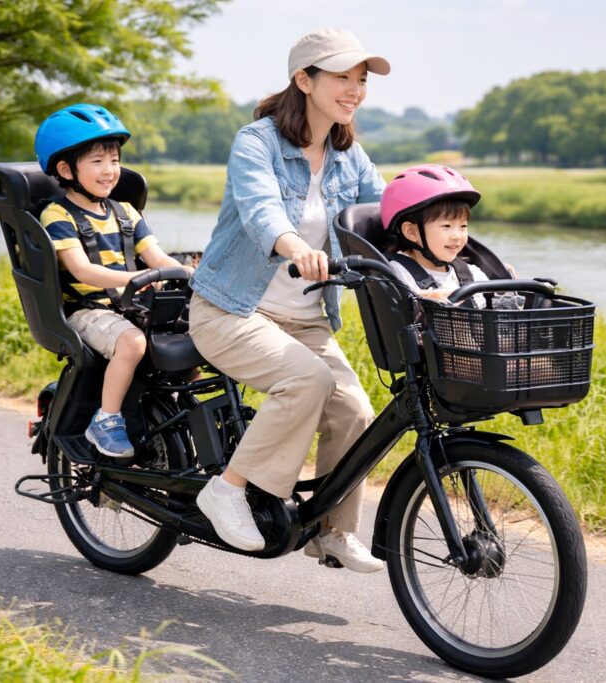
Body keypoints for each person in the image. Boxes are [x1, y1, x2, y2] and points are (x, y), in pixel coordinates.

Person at [188, 28, 389, 571]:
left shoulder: (350, 158)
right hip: (232, 309)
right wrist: (296, 246)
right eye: (342, 77)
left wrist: (446, 260)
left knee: (356, 412)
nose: (354, 90)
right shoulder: (256, 142)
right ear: (304, 80)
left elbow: (385, 221)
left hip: (305, 320)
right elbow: (261, 212)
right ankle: (228, 489)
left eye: (362, 80)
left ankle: (333, 530)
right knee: (309, 380)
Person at [35, 103, 193, 459]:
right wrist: (135, 277)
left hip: (129, 307)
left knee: (196, 333)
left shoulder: (126, 212)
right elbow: (81, 270)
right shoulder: (58, 214)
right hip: (88, 311)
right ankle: (105, 419)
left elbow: (158, 257)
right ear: (66, 169)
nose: (110, 171)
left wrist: (188, 274)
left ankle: (182, 410)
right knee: (133, 344)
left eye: (115, 161)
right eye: (97, 162)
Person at [380, 163, 523, 310]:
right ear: (412, 232)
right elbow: (400, 310)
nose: (457, 236)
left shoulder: (472, 273)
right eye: (446, 226)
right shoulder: (397, 273)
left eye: (463, 226)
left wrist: (508, 289)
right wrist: (425, 297)